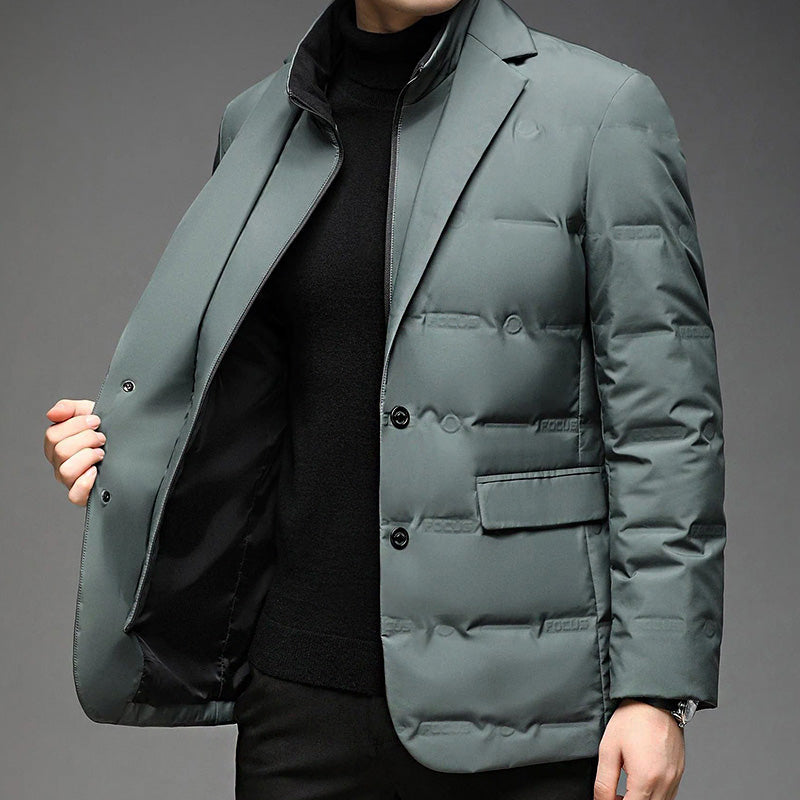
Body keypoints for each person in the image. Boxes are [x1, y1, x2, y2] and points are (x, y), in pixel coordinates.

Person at [43, 0, 726, 798]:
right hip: (299, 704)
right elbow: (258, 402)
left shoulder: (602, 112)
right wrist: (131, 451)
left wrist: (655, 689)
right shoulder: (258, 124)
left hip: (524, 709)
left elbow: (666, 426)